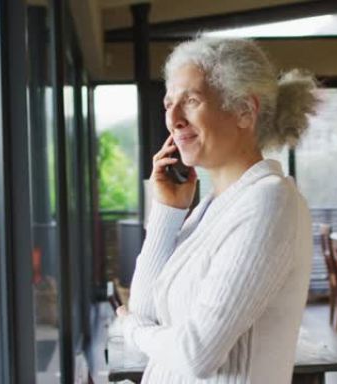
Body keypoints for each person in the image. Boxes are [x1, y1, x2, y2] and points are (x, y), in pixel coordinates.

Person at [116, 36, 318, 383]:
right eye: (168, 104)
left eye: (190, 101)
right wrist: (167, 212)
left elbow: (195, 355)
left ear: (244, 110)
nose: (174, 119)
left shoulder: (271, 201)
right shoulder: (210, 209)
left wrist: (132, 330)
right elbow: (146, 309)